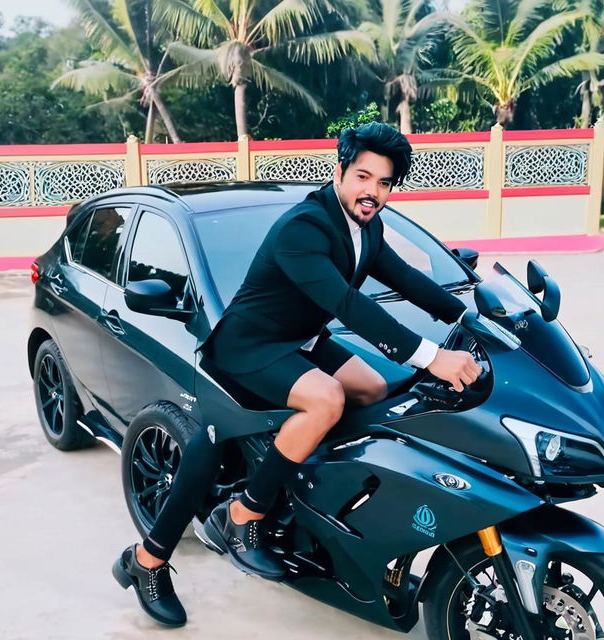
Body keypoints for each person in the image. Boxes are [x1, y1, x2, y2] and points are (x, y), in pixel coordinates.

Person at [111, 122, 482, 627]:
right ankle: (234, 519)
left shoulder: (366, 226)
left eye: (384, 183)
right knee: (326, 399)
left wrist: (471, 315)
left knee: (374, 388)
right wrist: (430, 355)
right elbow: (348, 305)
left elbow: (408, 280)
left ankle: (311, 499)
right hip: (249, 344)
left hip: (300, 338)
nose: (372, 192)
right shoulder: (304, 228)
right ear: (340, 172)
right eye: (363, 177)